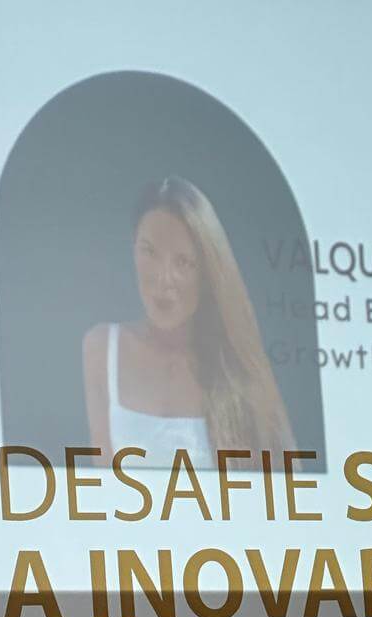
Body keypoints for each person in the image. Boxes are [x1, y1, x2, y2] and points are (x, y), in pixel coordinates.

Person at [83, 175, 295, 467]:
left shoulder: (238, 372)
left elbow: (281, 484)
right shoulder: (101, 348)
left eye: (183, 262)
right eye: (149, 252)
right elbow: (101, 482)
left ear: (208, 271)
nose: (163, 279)